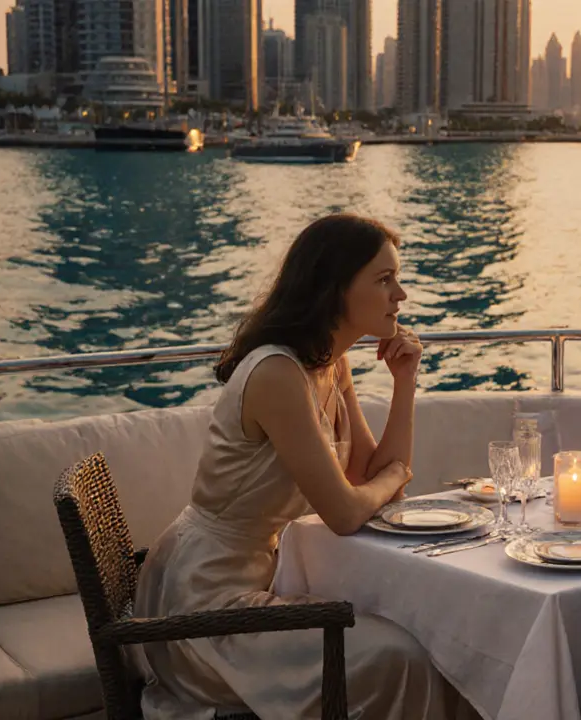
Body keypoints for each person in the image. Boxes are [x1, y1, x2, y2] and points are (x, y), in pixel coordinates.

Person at [132, 214, 474, 720]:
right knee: (399, 657)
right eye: (384, 280)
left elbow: (373, 476)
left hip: (255, 581)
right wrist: (395, 474)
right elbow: (345, 509)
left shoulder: (331, 363)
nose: (399, 295)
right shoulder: (277, 373)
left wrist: (405, 382)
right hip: (204, 606)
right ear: (335, 289)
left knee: (429, 642)